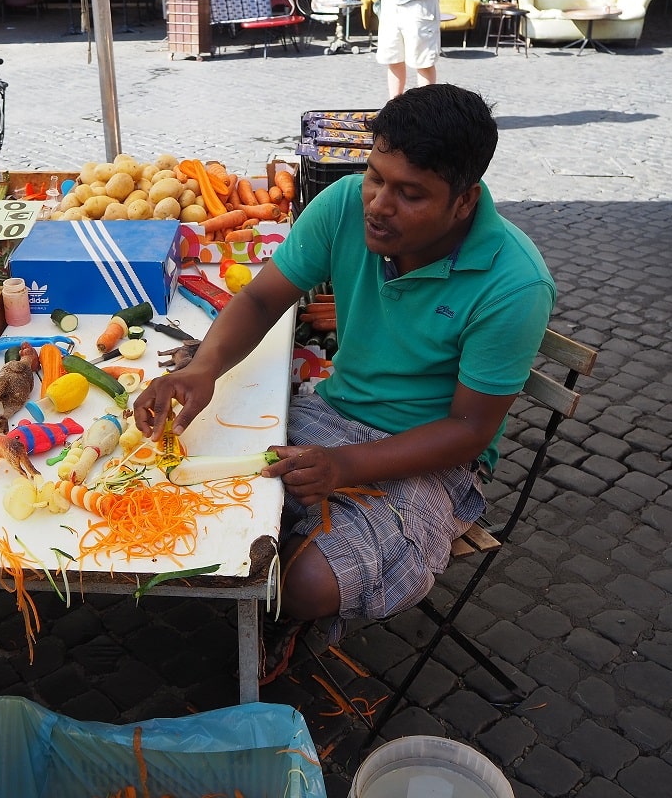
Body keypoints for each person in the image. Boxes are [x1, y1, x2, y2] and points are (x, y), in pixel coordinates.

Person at [134, 85, 556, 684]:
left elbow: (468, 430)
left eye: (411, 194)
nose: (379, 205)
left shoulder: (515, 284)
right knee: (188, 490)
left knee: (301, 582)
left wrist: (343, 467)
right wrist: (200, 368)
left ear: (464, 203)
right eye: (375, 177)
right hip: (328, 413)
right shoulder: (341, 207)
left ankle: (282, 623)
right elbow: (258, 299)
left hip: (428, 459)